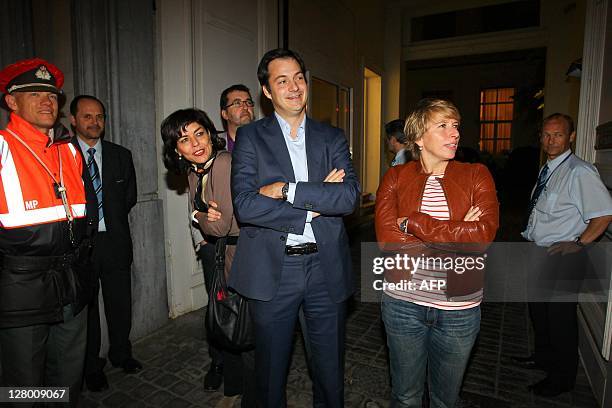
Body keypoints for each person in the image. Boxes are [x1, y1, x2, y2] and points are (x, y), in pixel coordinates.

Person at [229, 48, 360, 407]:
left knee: (330, 373)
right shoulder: (251, 138)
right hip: (275, 270)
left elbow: (348, 197)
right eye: (282, 80)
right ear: (267, 91)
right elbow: (246, 204)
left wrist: (288, 190)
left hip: (325, 268)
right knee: (270, 377)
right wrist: (312, 207)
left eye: (299, 77)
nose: (294, 87)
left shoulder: (332, 136)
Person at [375, 98, 499, 408]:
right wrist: (457, 231)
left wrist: (415, 223)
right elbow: (389, 243)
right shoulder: (395, 178)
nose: (454, 133)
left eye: (455, 126)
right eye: (442, 126)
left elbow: (481, 239)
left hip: (459, 307)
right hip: (403, 303)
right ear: (418, 137)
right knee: (405, 397)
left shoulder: (476, 175)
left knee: (446, 400)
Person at [0, 58, 96, 407]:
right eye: (35, 93)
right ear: (11, 101)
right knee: (23, 382)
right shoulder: (3, 147)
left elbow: (88, 211)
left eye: (53, 95)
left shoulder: (68, 150)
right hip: (21, 286)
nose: (47, 101)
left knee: (68, 373)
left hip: (71, 278)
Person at [161, 108, 255, 407]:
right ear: (176, 148)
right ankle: (232, 388)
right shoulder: (194, 171)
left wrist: (199, 215)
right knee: (226, 323)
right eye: (184, 140)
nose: (196, 144)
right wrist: (198, 213)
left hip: (242, 255)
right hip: (220, 254)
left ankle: (253, 396)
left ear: (210, 133)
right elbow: (200, 214)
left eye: (199, 134)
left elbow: (219, 223)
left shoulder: (224, 162)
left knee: (248, 329)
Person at [518, 113, 612, 397]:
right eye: (546, 134)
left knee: (560, 319)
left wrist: (580, 244)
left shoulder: (579, 171)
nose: (551, 140)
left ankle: (562, 378)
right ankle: (543, 358)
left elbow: (604, 214)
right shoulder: (550, 168)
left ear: (570, 136)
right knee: (540, 311)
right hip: (541, 252)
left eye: (558, 135)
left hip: (564, 256)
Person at [70, 95, 140, 391]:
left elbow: (129, 198)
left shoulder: (120, 155)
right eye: (87, 116)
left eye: (99, 117)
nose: (94, 122)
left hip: (115, 242)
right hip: (80, 247)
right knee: (87, 310)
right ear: (73, 120)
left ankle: (122, 353)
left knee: (119, 302)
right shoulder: (64, 155)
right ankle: (92, 365)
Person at [219, 84, 255, 153]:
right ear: (225, 114)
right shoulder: (214, 146)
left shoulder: (267, 141)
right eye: (237, 103)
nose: (245, 107)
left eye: (249, 102)